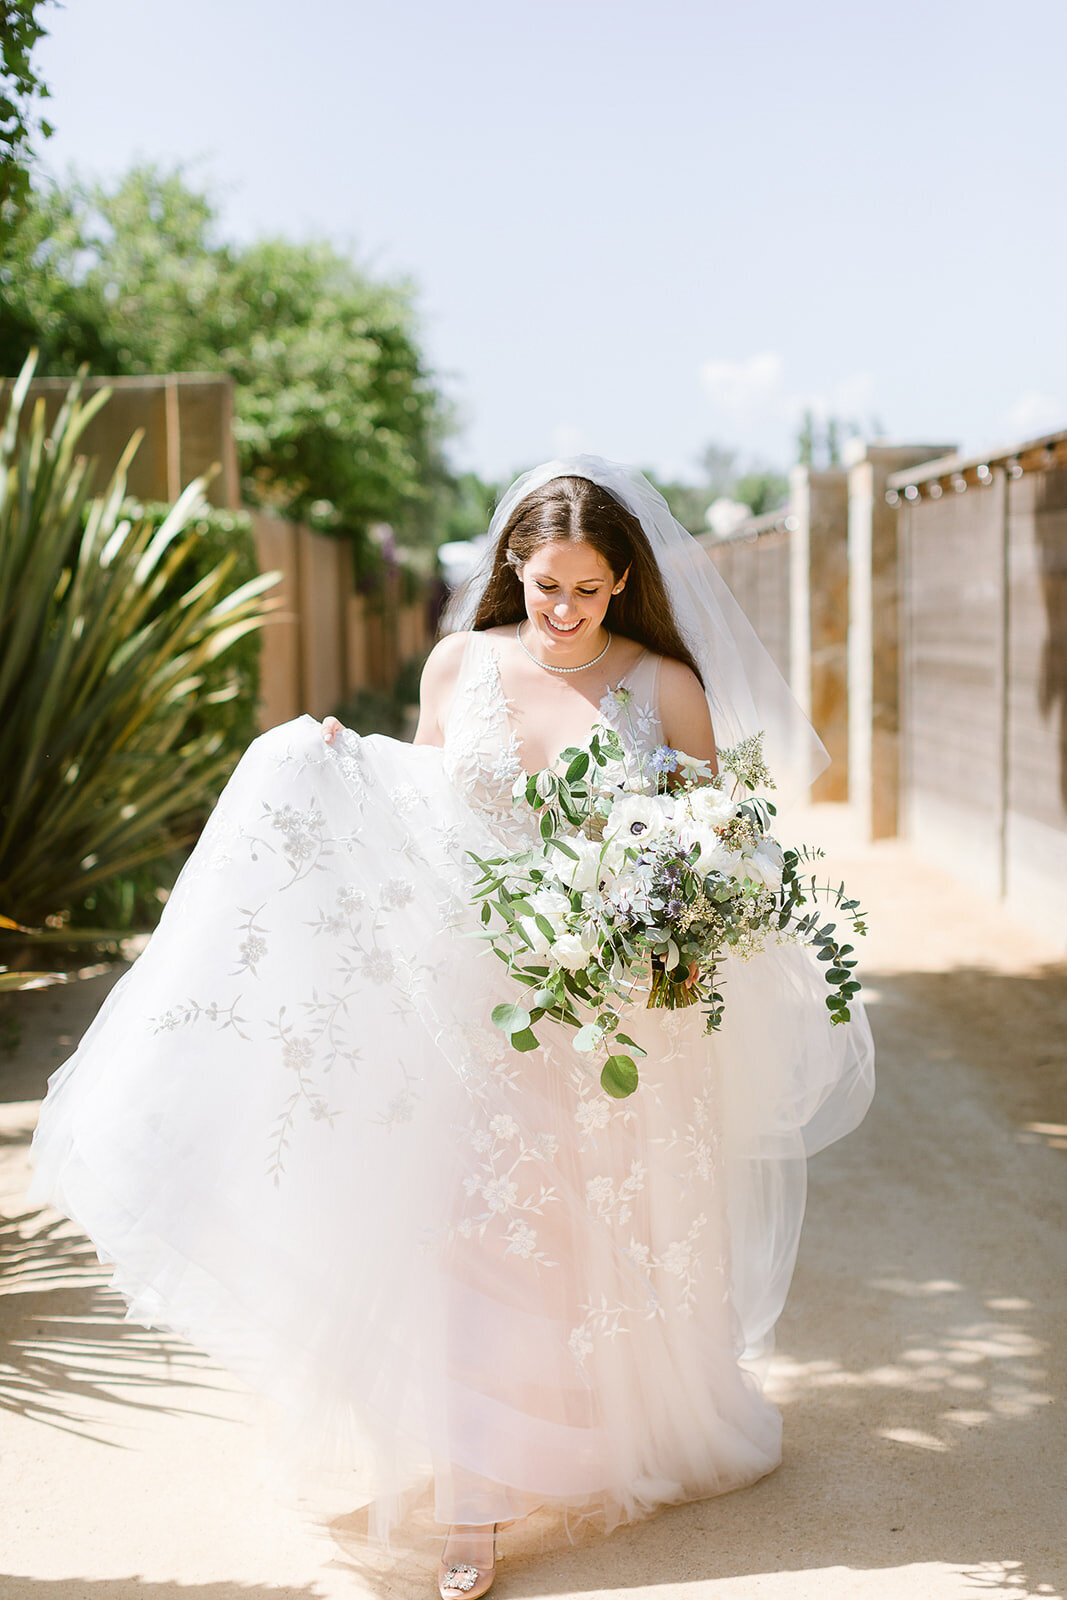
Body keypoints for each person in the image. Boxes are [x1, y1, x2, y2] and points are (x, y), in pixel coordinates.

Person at [28, 455, 874, 1598]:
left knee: (577, 1250)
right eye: (542, 587)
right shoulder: (457, 665)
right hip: (466, 999)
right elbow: (417, 824)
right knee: (467, 1234)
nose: (563, 611)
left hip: (603, 1015)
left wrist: (666, 934)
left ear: (621, 580)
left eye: (586, 589)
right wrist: (333, 770)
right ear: (511, 571)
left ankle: (573, 1445)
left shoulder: (664, 687)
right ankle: (470, 1503)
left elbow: (716, 851)